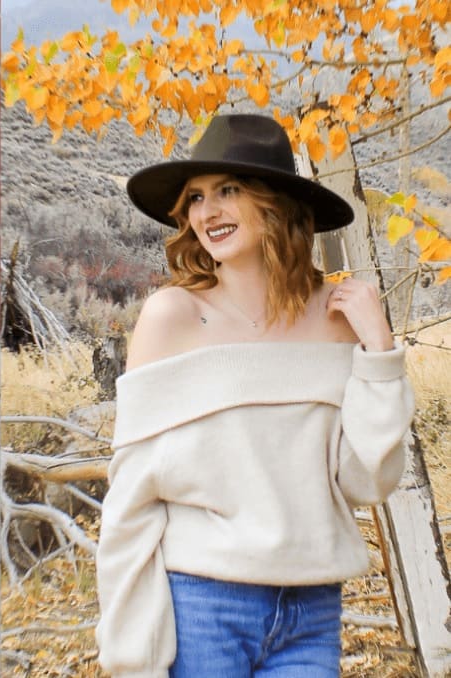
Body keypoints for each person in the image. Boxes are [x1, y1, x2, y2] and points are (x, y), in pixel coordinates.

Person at [94, 114, 415, 678]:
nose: (206, 212)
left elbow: (366, 481)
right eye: (195, 197)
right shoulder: (172, 318)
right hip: (203, 607)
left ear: (278, 204)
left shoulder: (338, 320)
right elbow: (131, 502)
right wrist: (131, 655)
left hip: (312, 608)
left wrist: (380, 353)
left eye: (229, 190)